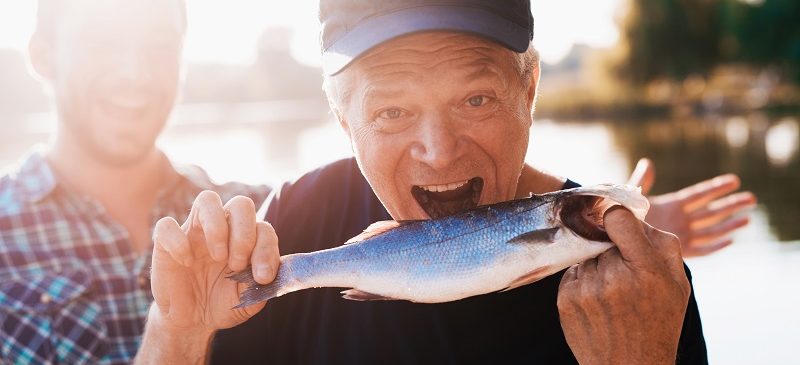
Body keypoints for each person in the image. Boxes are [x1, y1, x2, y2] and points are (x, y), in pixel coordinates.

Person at [138, 1, 758, 364]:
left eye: (477, 98)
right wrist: (178, 335)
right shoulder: (291, 224)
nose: (439, 153)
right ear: (342, 120)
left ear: (530, 89)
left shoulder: (639, 286)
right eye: (392, 112)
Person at [0, 0, 269, 363]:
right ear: (44, 57)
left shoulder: (261, 217)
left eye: (160, 47)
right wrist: (178, 336)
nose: (136, 74)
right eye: (103, 43)